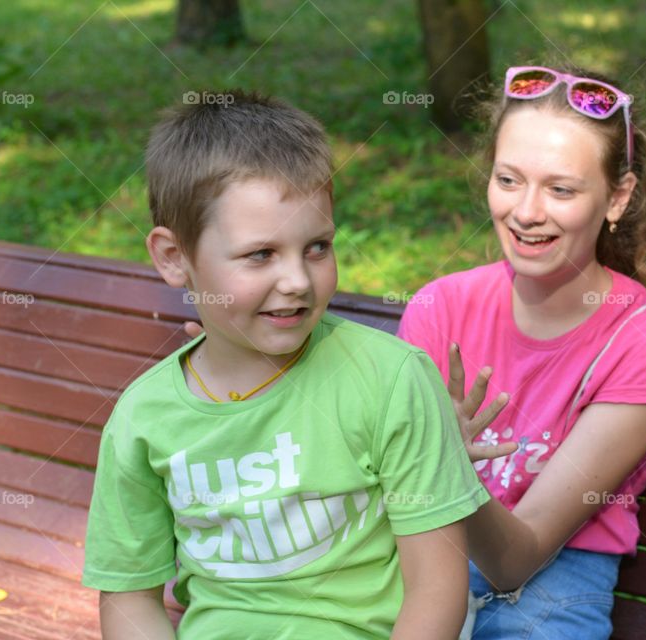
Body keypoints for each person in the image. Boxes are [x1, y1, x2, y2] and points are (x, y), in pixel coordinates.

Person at [82, 90, 489, 640]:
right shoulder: (144, 417)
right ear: (174, 258)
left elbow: (438, 590)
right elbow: (130, 600)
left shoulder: (391, 380)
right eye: (260, 255)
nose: (298, 280)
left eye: (317, 247)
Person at [396, 65, 646, 639]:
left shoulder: (645, 347)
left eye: (560, 189)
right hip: (420, 560)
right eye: (508, 179)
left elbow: (517, 560)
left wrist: (447, 470)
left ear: (618, 197)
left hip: (548, 588)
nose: (527, 212)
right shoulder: (441, 308)